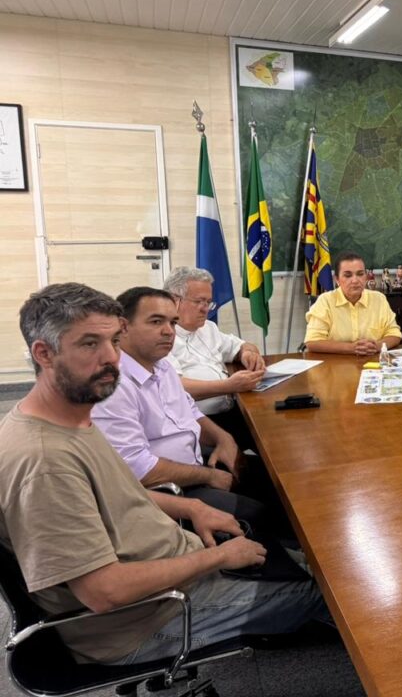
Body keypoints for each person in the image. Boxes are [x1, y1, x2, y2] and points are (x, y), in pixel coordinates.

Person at [0, 283, 327, 665]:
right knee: (331, 593)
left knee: (318, 565)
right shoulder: (44, 462)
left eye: (114, 341)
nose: (112, 359)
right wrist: (218, 558)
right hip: (149, 617)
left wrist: (191, 509)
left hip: (174, 563)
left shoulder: (70, 418)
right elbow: (103, 592)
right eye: (90, 344)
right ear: (44, 353)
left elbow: (114, 492)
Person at [92, 288, 275, 528]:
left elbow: (191, 412)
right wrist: (210, 476)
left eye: (173, 322)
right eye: (156, 321)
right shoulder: (112, 384)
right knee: (257, 514)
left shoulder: (163, 366)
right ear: (123, 327)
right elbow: (138, 468)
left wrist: (224, 439)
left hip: (193, 462)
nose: (169, 331)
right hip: (164, 493)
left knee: (273, 478)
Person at [163, 267, 265, 441]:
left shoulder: (208, 328)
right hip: (196, 423)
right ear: (174, 301)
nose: (205, 309)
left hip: (232, 411)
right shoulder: (162, 338)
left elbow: (242, 346)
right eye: (199, 302)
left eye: (209, 302)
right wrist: (229, 386)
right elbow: (175, 387)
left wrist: (248, 353)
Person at [304, 253, 402, 356]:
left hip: (372, 361)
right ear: (337, 279)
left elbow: (394, 334)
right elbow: (312, 342)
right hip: (336, 363)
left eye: (360, 274)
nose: (355, 280)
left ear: (366, 277)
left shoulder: (379, 299)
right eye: (348, 275)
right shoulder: (325, 301)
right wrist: (352, 348)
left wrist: (377, 346)